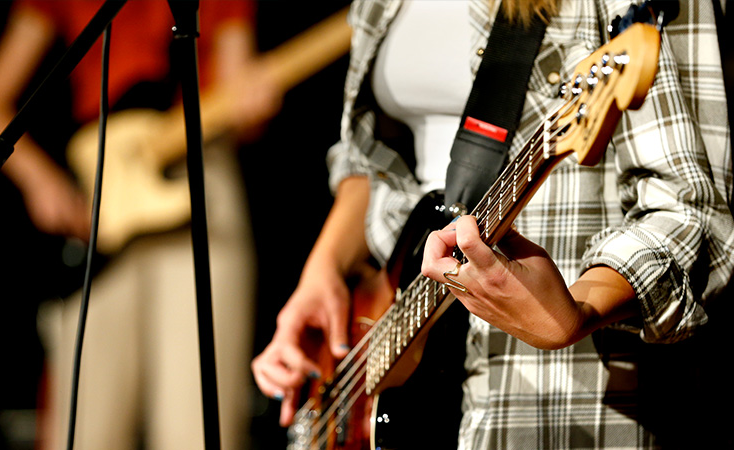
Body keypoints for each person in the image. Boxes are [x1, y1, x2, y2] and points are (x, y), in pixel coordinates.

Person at [251, 0, 734, 448]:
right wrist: (324, 269)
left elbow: (690, 211)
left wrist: (577, 313)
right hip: (385, 330)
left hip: (553, 395)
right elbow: (371, 161)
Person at [0, 1, 279, 449]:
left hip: (198, 168)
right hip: (104, 192)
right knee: (84, 425)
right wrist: (43, 184)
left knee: (197, 426)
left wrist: (252, 100)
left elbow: (241, 95)